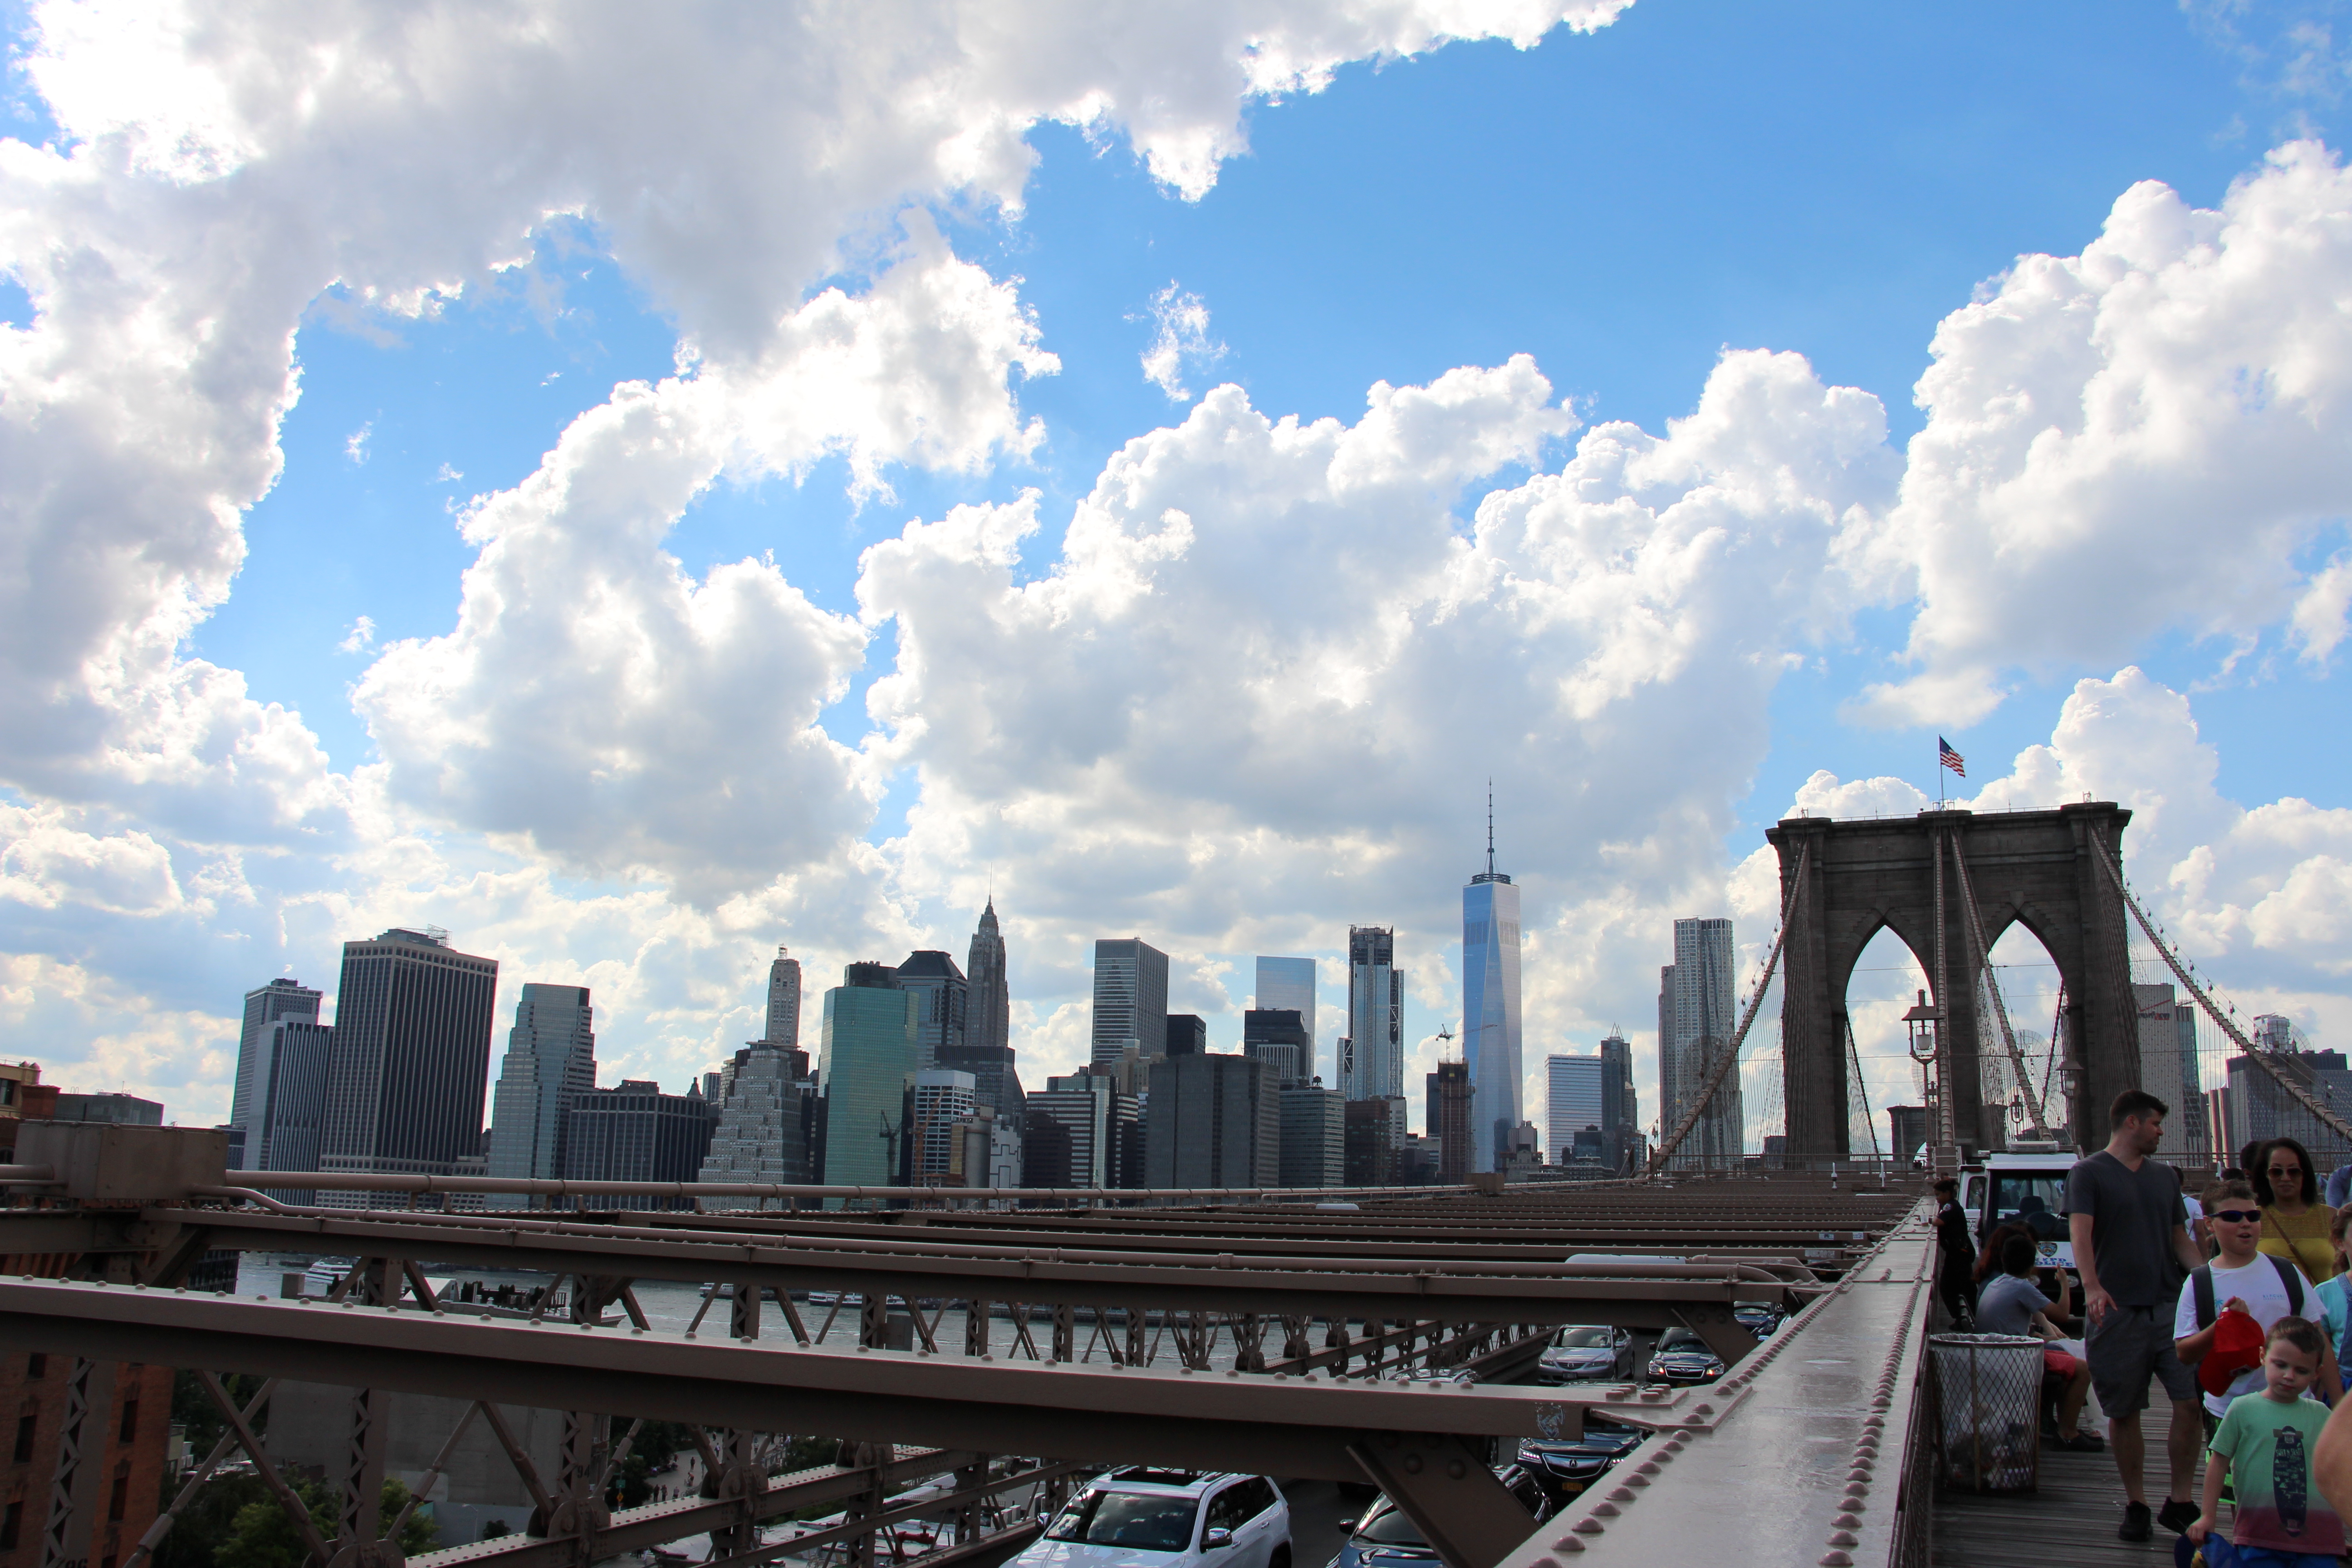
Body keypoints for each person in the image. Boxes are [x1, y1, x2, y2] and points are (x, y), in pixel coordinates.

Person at [2066, 1088, 2207, 1542]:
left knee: (2189, 1403)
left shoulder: (2166, 1178)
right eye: (2155, 1124)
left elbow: (2178, 1238)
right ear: (2132, 1123)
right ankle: (2137, 1504)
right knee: (2124, 1412)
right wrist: (2091, 1286)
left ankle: (2181, 1501)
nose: (2160, 1132)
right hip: (2116, 1311)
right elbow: (2079, 1233)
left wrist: (2211, 1279)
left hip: (2169, 1307)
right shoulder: (2088, 1174)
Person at [2186, 1316, 2346, 1567]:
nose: (2289, 1376)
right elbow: (2218, 1463)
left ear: (2318, 1373)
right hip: (2259, 1535)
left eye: (2301, 1370)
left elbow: (2340, 1469)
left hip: (2319, 1539)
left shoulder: (2321, 1415)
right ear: (2263, 1356)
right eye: (2280, 1365)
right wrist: (2208, 1516)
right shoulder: (2243, 1409)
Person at [2175, 1181, 2338, 1421]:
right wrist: (2222, 1325)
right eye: (2232, 1216)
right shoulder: (2199, 1282)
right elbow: (2184, 1352)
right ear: (2209, 1224)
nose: (2245, 1224)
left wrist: (2340, 1407)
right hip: (2230, 1413)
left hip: (2296, 1406)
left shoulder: (2286, 1271)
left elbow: (2318, 1337)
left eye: (2253, 1216)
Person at [1977, 1230, 2101, 1450]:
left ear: (2004, 1259)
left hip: (1993, 1356)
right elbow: (2062, 1315)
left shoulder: (1996, 1283)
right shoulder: (2021, 1286)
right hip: (2014, 1360)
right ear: (2032, 1264)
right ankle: (2068, 1433)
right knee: (2084, 1369)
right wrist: (2064, 1283)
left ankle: (2061, 1426)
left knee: (2063, 1358)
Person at [2258, 1138, 2342, 1284]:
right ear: (2266, 1174)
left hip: (2323, 1305)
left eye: (2294, 1171)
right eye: (2276, 1172)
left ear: (2305, 1174)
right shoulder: (2253, 1218)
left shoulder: (2331, 1217)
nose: (2285, 1178)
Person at [1934, 1176, 1975, 1328]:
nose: (1937, 1199)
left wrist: (1927, 1220)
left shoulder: (1951, 1206)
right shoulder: (1952, 1205)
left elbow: (1939, 1222)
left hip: (1959, 1254)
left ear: (1947, 1193)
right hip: (1959, 1253)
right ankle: (1963, 1319)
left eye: (1938, 1195)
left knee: (1950, 1287)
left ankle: (1967, 1318)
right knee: (1962, 1287)